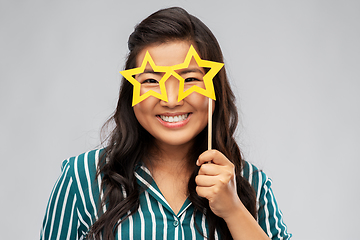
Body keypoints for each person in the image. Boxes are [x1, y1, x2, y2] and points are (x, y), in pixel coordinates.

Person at [40, 7, 291, 240]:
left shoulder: (250, 182)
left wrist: (234, 210)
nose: (171, 100)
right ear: (131, 93)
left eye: (190, 79)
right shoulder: (82, 177)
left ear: (215, 90)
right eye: (151, 81)